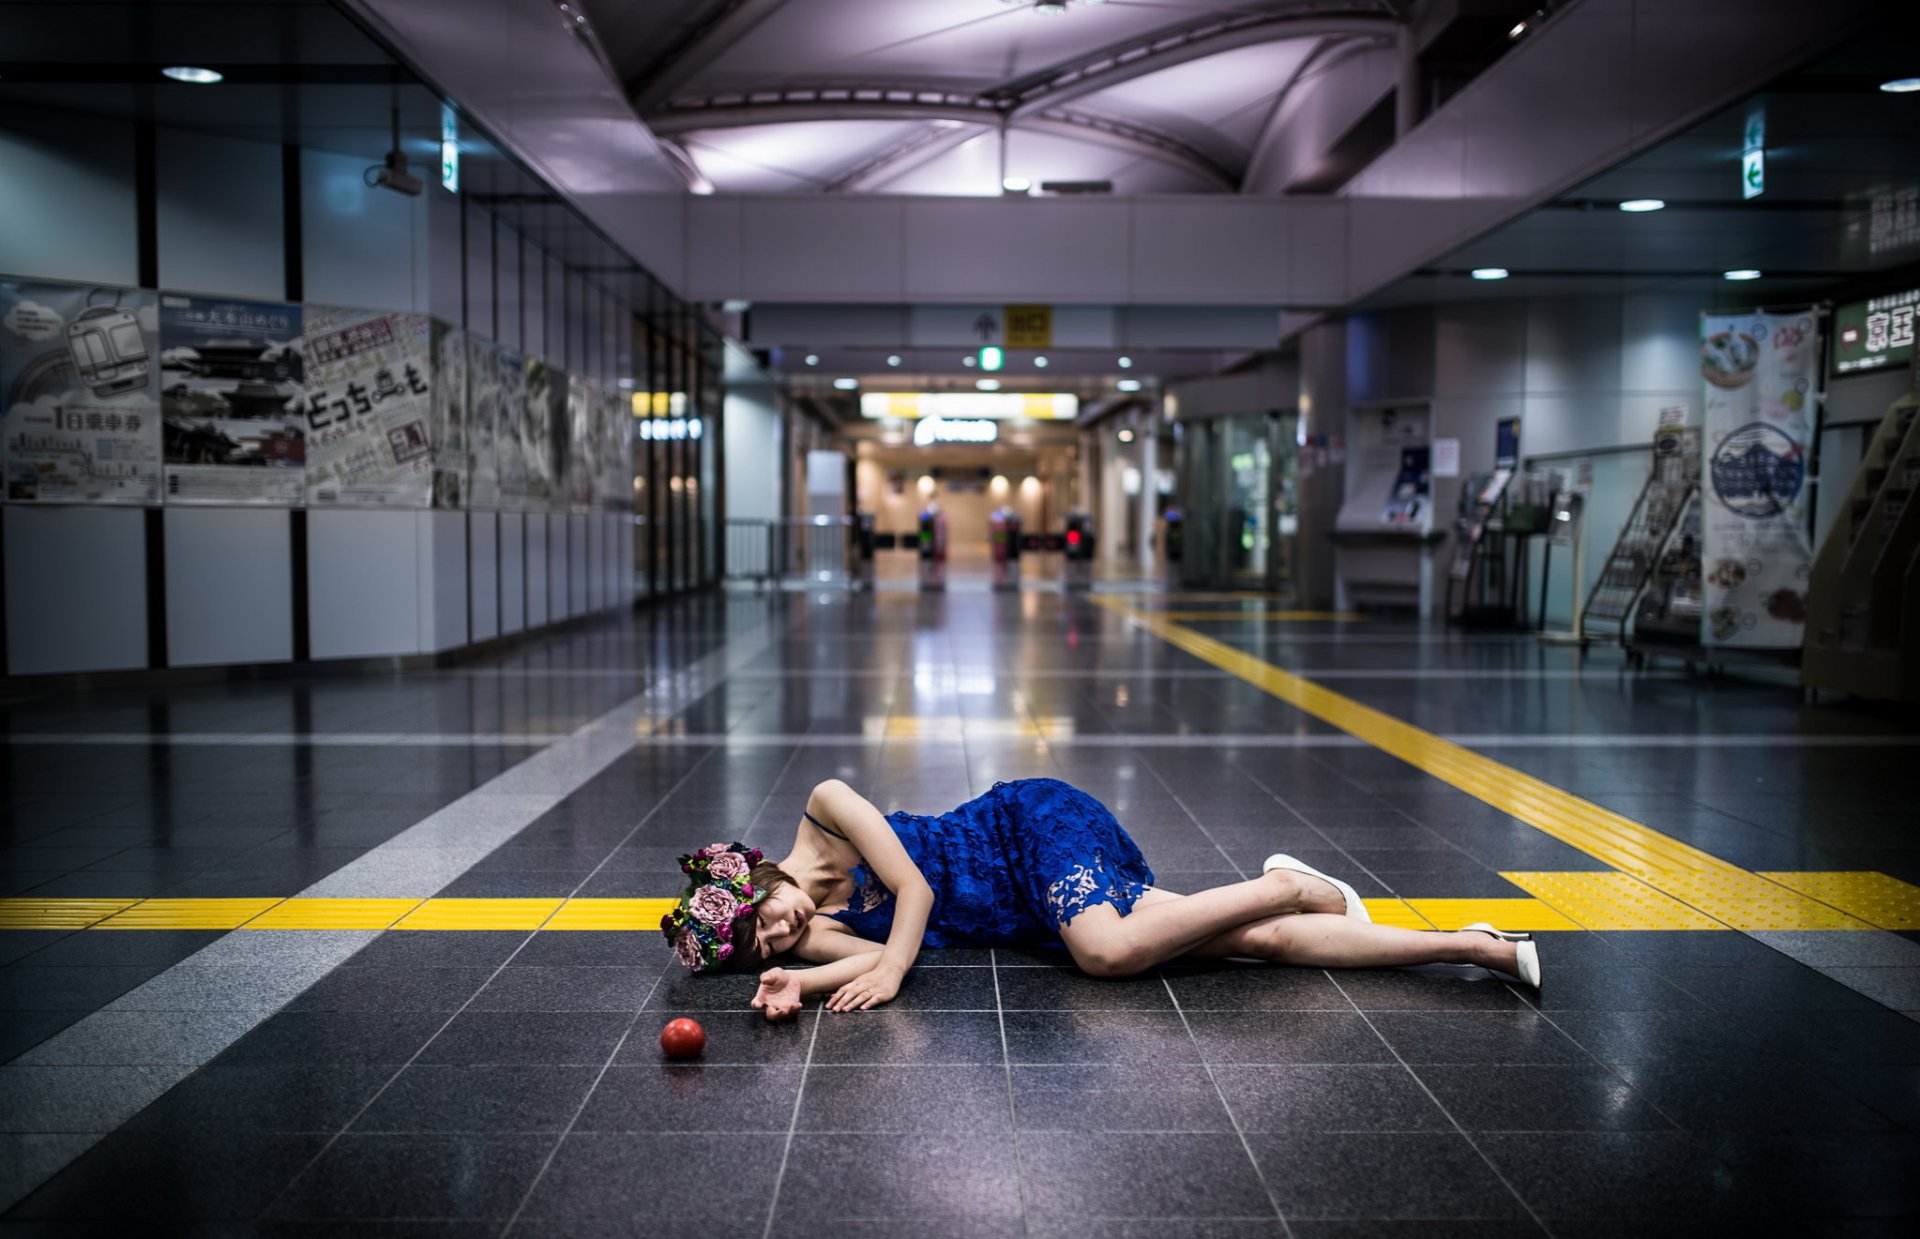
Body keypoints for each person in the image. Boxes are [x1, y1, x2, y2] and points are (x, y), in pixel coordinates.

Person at [659, 777, 1540, 1019]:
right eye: (767, 946)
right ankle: (1473, 945)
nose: (783, 930)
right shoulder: (806, 941)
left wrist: (890, 970)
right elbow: (870, 960)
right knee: (1259, 943)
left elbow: (914, 892)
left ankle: (1284, 882)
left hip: (1026, 831)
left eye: (765, 919)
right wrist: (799, 981)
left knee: (1106, 952)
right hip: (1031, 913)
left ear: (755, 879)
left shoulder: (825, 808)